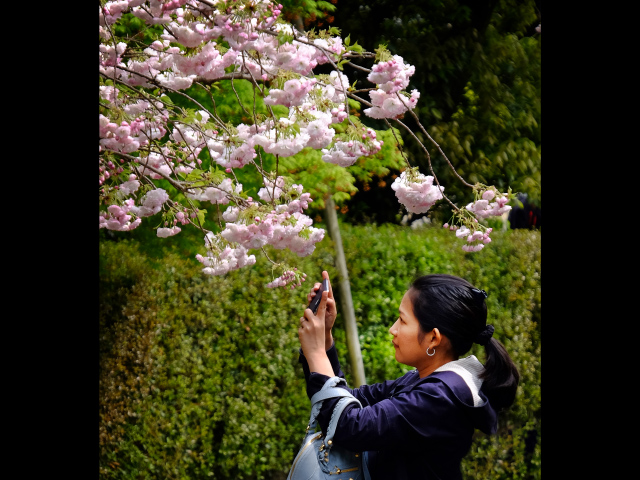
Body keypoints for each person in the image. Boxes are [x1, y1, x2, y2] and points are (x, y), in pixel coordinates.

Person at [297, 271, 520, 480]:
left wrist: (316, 353)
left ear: (433, 338)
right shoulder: (426, 380)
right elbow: (353, 401)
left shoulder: (440, 397)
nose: (393, 329)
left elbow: (350, 427)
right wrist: (325, 339)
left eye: (403, 321)